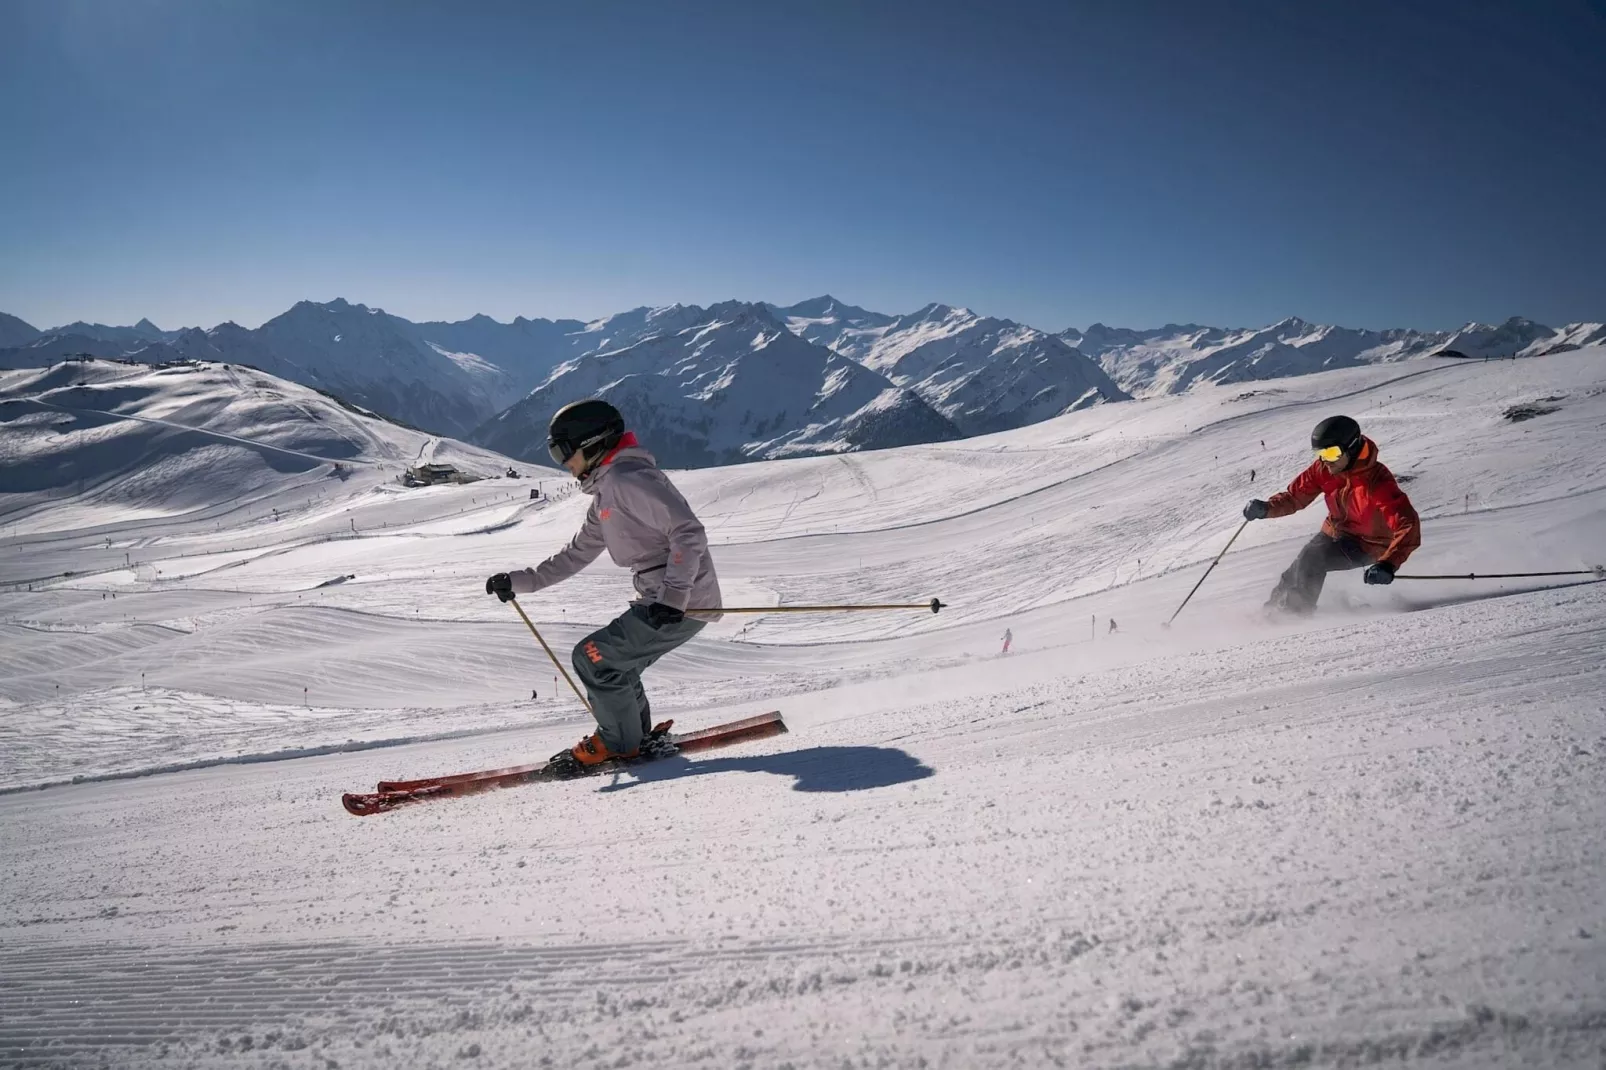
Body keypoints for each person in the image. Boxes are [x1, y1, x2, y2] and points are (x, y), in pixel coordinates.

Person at [485, 399, 721, 774]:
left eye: (563, 452)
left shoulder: (629, 481)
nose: (563, 463)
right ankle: (633, 736)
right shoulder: (607, 495)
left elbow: (689, 533)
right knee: (614, 666)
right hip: (664, 600)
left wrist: (674, 598)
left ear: (593, 444)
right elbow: (574, 555)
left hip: (680, 601)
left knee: (593, 657)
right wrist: (518, 581)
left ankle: (619, 742)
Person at [1243, 415, 1419, 616]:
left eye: (1332, 452)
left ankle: (1294, 615)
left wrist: (1388, 563)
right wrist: (1267, 508)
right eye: (1321, 453)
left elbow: (1408, 525)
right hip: (1335, 532)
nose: (1326, 460)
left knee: (1312, 559)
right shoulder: (1324, 468)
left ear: (1352, 448)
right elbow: (1295, 496)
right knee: (1297, 568)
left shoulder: (1377, 482)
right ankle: (1270, 611)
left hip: (1369, 544)